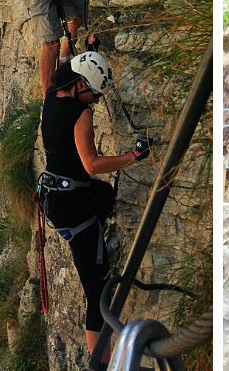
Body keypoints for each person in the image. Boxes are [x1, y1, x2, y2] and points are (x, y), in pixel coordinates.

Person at [38, 51, 151, 360]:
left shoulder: (50, 93)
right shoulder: (80, 112)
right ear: (78, 85)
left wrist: (81, 45)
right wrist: (134, 157)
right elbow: (91, 164)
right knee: (97, 288)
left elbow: (55, 61)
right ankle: (100, 363)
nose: (97, 101)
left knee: (103, 196)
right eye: (94, 93)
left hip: (57, 196)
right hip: (74, 204)